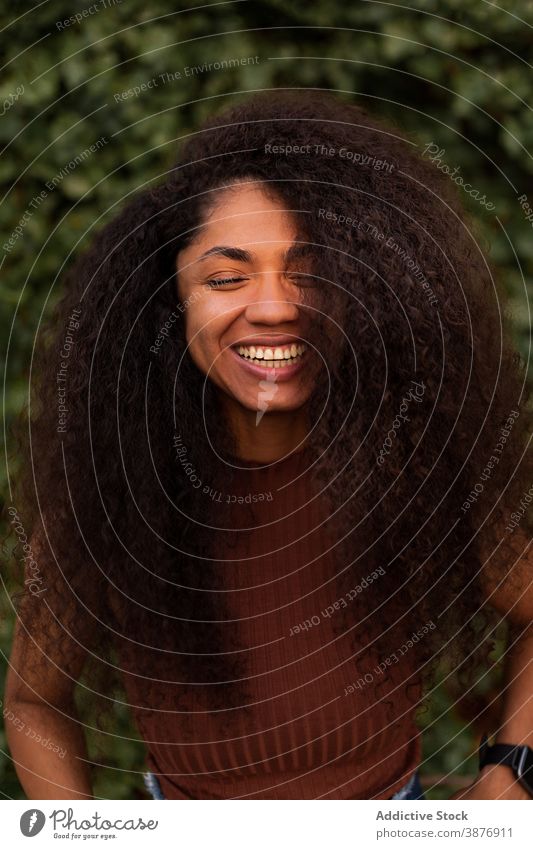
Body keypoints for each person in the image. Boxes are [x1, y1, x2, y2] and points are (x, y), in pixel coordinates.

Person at [5, 90, 532, 801]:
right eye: (226, 278)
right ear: (171, 301)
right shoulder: (117, 485)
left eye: (310, 273)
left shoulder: (409, 460)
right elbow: (34, 700)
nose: (278, 304)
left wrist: (511, 768)